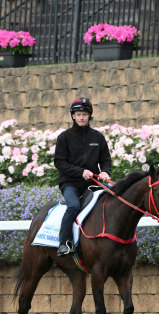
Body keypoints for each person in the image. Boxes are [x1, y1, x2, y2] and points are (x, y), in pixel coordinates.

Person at [53, 98, 112, 256]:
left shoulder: (98, 137)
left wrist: (105, 171)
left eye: (84, 114)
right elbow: (59, 162)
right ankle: (64, 243)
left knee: (113, 200)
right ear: (73, 116)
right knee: (73, 206)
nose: (81, 117)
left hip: (92, 183)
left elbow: (105, 159)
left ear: (89, 116)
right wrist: (80, 172)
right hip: (70, 184)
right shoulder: (64, 137)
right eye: (78, 114)